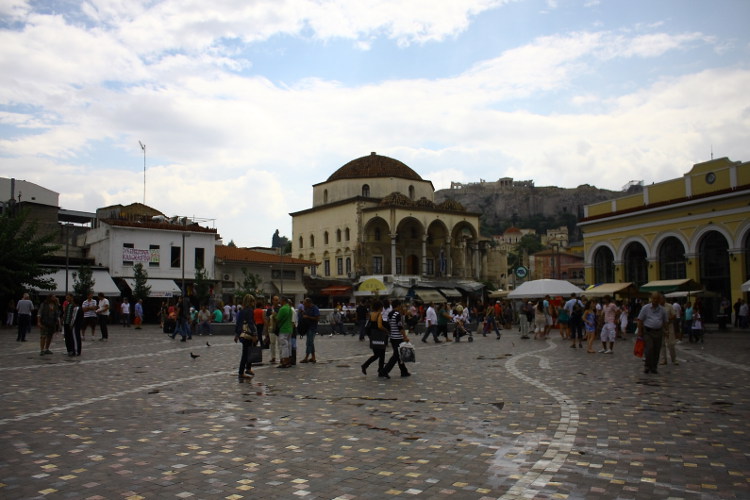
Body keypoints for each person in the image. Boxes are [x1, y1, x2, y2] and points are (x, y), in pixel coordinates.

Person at [637, 292, 668, 374]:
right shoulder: (645, 308)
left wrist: (666, 331)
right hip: (648, 332)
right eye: (654, 298)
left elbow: (665, 321)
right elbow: (640, 320)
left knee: (656, 350)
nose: (655, 300)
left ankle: (654, 367)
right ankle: (647, 366)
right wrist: (640, 331)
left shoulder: (662, 310)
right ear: (651, 299)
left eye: (657, 299)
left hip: (658, 332)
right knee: (649, 349)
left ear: (659, 300)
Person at [382, 300, 411, 378]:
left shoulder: (390, 314)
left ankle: (404, 371)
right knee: (396, 355)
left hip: (392, 337)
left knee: (399, 355)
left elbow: (388, 325)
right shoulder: (397, 314)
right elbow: (400, 327)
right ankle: (385, 370)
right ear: (398, 305)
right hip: (398, 337)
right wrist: (405, 337)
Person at [234, 294, 258, 380]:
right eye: (253, 301)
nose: (254, 303)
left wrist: (237, 334)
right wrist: (255, 334)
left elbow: (239, 323)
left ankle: (248, 368)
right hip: (248, 334)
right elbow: (251, 323)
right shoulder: (250, 310)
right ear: (250, 302)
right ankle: (241, 372)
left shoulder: (242, 311)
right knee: (246, 353)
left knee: (248, 352)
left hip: (242, 334)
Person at [361, 300, 388, 376]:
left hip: (373, 336)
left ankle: (366, 365)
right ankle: (380, 370)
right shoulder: (379, 314)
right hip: (379, 336)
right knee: (382, 354)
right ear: (380, 307)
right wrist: (385, 330)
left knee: (376, 354)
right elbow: (379, 326)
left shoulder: (371, 314)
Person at [660, 296, 679, 366]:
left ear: (664, 299)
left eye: (661, 299)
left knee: (670, 344)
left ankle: (674, 359)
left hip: (669, 326)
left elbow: (674, 315)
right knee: (662, 344)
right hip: (661, 327)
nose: (660, 300)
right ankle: (663, 360)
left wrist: (667, 319)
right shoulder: (658, 307)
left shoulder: (669, 306)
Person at [276, 296, 294, 368]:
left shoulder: (283, 308)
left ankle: (284, 361)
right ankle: (289, 360)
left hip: (283, 329)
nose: (280, 302)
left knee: (284, 345)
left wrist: (274, 316)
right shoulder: (289, 308)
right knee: (288, 344)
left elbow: (278, 319)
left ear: (283, 301)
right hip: (289, 328)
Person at [300, 298, 319, 363]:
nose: (304, 305)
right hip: (308, 327)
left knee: (309, 343)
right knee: (311, 343)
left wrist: (308, 317)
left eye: (305, 304)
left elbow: (317, 318)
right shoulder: (307, 308)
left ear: (309, 303)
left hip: (312, 328)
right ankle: (313, 357)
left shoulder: (315, 308)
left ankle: (306, 357)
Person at [266, 296, 280, 364]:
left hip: (279, 328)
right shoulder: (269, 309)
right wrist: (266, 330)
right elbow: (267, 320)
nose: (276, 301)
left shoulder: (280, 308)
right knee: (272, 344)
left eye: (277, 300)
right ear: (272, 301)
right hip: (271, 328)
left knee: (280, 344)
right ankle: (273, 357)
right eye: (275, 300)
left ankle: (281, 357)